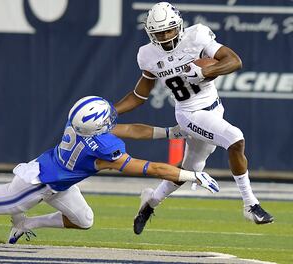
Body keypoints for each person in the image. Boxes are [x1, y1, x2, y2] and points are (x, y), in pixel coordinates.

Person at [0, 96, 219, 244]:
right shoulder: (102, 150)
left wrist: (170, 132)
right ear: (97, 128)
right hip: (35, 183)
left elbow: (131, 129)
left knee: (84, 220)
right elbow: (150, 168)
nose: (112, 122)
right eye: (107, 121)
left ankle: (24, 223)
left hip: (61, 181)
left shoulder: (80, 125)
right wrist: (192, 175)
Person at [114, 2, 274, 235]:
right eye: (159, 32)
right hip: (189, 113)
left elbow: (234, 61)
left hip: (214, 108)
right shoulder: (148, 55)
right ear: (151, 33)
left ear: (178, 26)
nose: (165, 36)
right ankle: (251, 204)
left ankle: (149, 203)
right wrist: (111, 111)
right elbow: (139, 95)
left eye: (169, 30)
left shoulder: (196, 36)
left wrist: (206, 71)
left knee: (190, 168)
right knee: (235, 138)